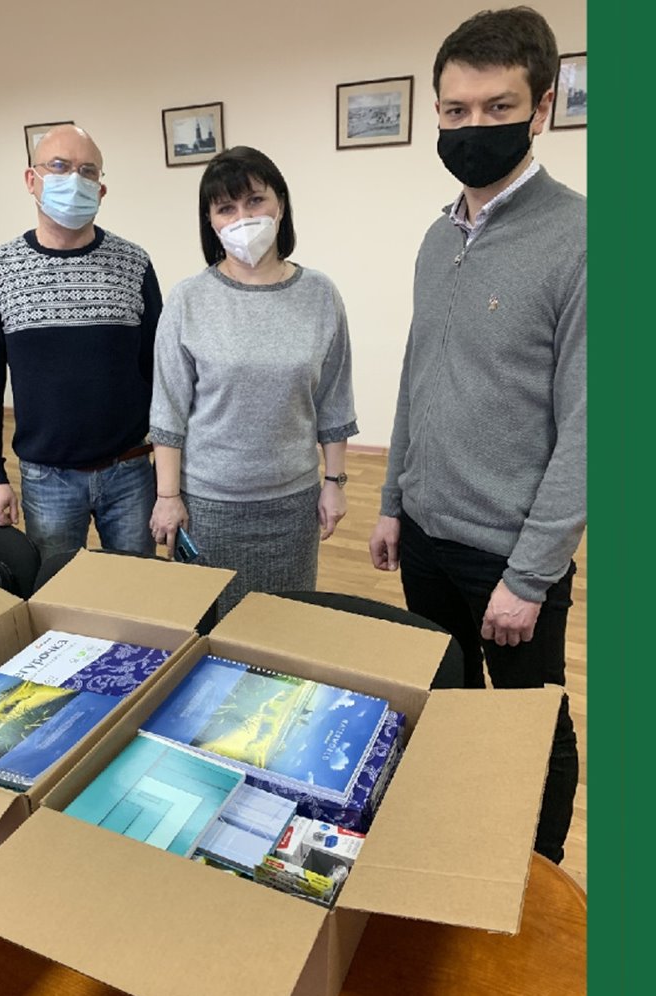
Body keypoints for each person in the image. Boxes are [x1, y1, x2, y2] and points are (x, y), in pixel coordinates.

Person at [368, 6, 586, 865]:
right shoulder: (437, 237)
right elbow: (417, 377)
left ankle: (536, 882)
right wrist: (392, 501)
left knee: (530, 727)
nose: (473, 127)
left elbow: (591, 428)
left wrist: (529, 576)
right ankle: (461, 853)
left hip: (508, 554)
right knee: (447, 703)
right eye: (455, 110)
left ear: (541, 109)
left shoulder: (582, 239)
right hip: (425, 537)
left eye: (498, 108)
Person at [150, 146, 357, 616]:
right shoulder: (188, 300)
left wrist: (334, 481)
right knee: (210, 630)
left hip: (293, 505)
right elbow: (168, 412)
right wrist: (167, 497)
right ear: (210, 221)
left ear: (280, 205)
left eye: (255, 201)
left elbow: (335, 398)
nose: (243, 218)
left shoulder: (320, 295)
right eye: (226, 208)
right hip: (209, 506)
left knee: (283, 625)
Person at [0, 124, 162, 562]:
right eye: (59, 166)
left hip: (130, 471)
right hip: (46, 479)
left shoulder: (134, 263)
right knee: (57, 589)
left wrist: (168, 478)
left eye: (87, 171)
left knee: (139, 588)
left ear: (101, 189)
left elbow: (162, 371)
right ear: (31, 179)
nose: (74, 179)